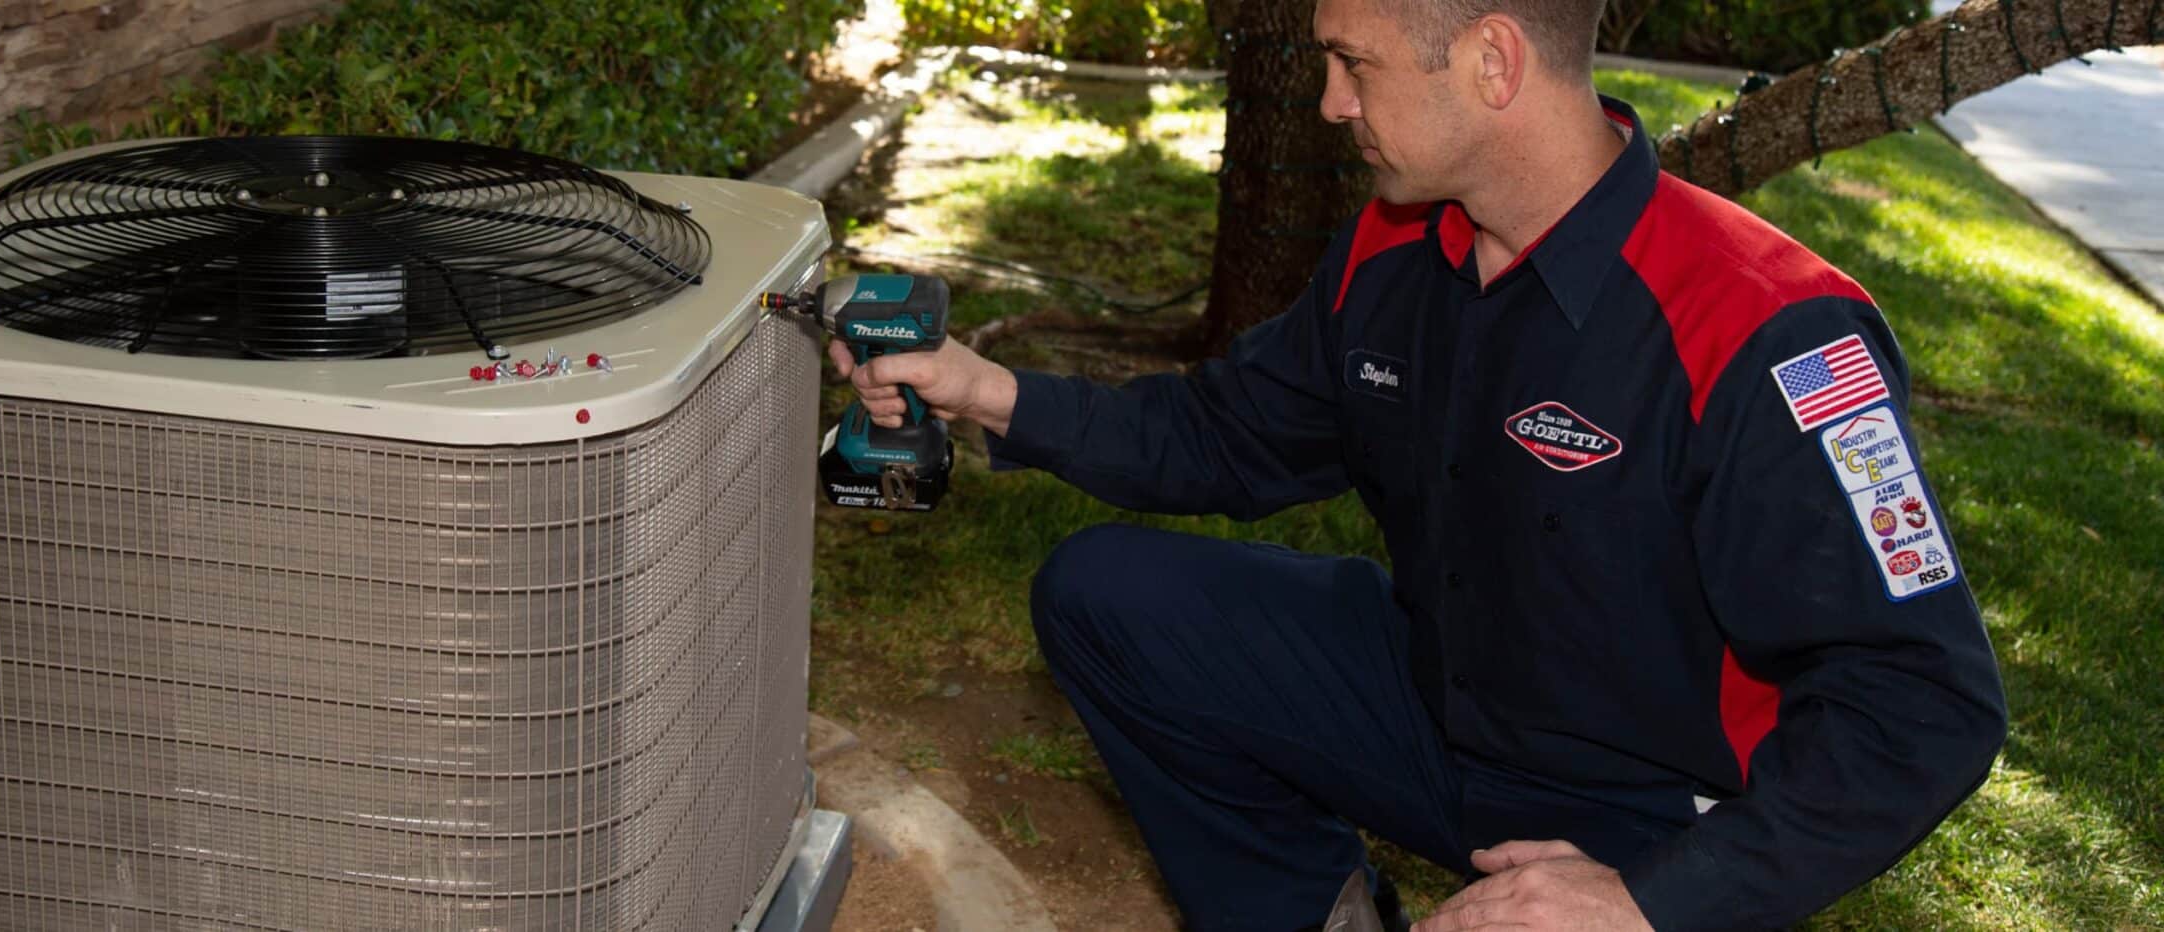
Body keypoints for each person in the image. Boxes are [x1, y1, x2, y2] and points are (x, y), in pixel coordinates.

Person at [823, 0, 2009, 928]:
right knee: (1107, 593)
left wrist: (1648, 902)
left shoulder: (1771, 331)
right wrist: (990, 389)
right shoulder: (1393, 247)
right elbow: (1228, 436)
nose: (1331, 104)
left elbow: (1925, 702)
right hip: (1433, 698)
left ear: (1493, 64)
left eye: (1356, 65)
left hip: (1638, 815)